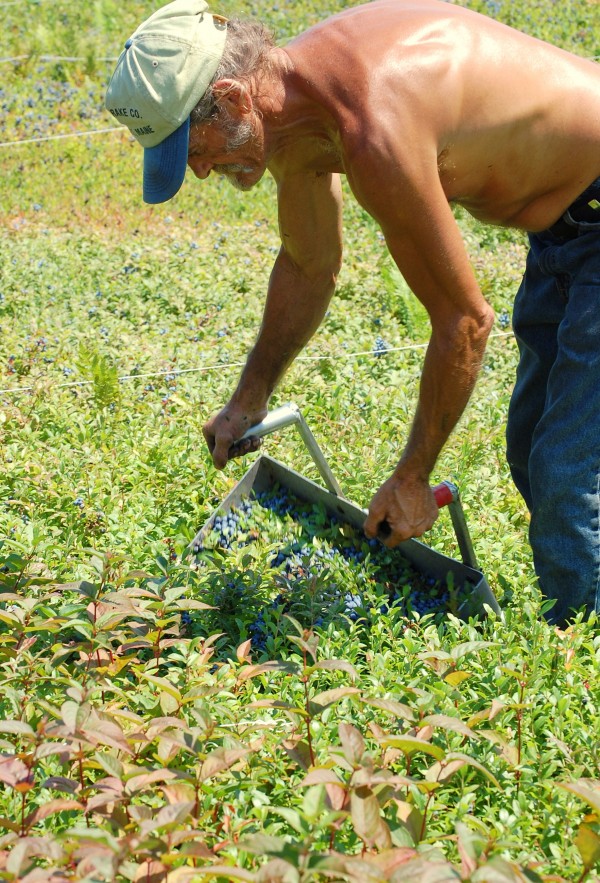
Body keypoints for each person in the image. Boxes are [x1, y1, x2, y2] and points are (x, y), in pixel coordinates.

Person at [106, 0, 600, 627]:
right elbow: (308, 265)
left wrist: (414, 476)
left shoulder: (372, 124)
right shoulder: (293, 113)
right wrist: (248, 398)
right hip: (569, 229)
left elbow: (466, 322)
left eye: (192, 149)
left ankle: (581, 663)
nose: (200, 171)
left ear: (231, 100)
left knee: (565, 472)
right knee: (535, 446)